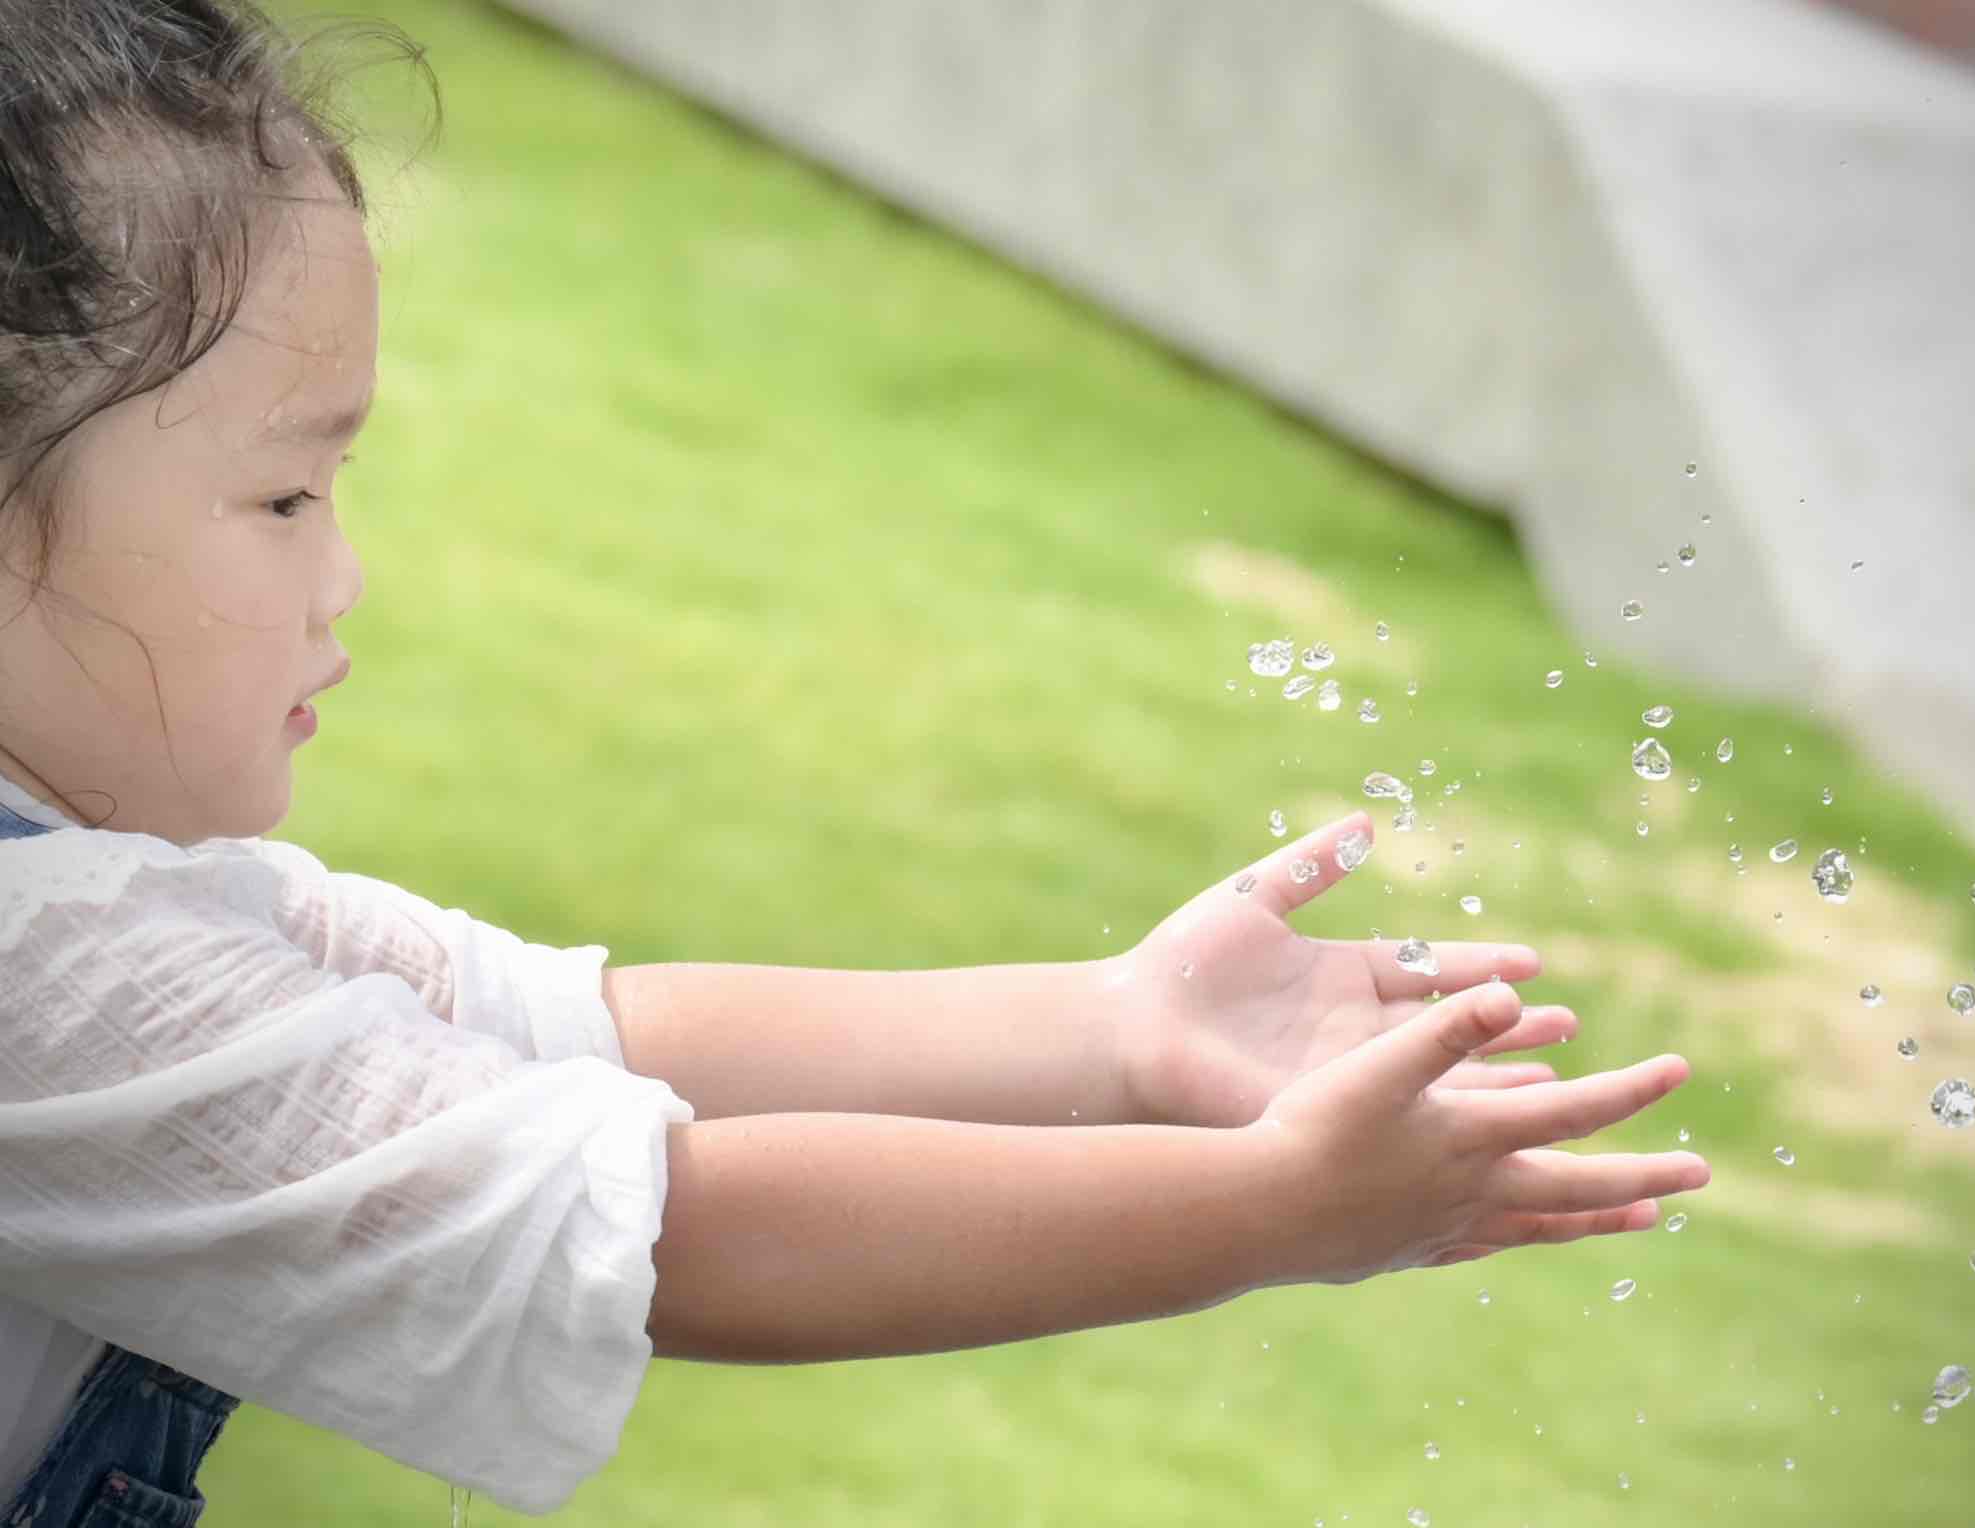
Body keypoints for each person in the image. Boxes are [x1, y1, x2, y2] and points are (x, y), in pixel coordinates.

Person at [0, 1, 1709, 1520]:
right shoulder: (34, 981)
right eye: (284, 496)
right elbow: (677, 1233)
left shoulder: (102, 914)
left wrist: (1112, 1031)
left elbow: (564, 1028)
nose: (345, 573)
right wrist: (1269, 1209)